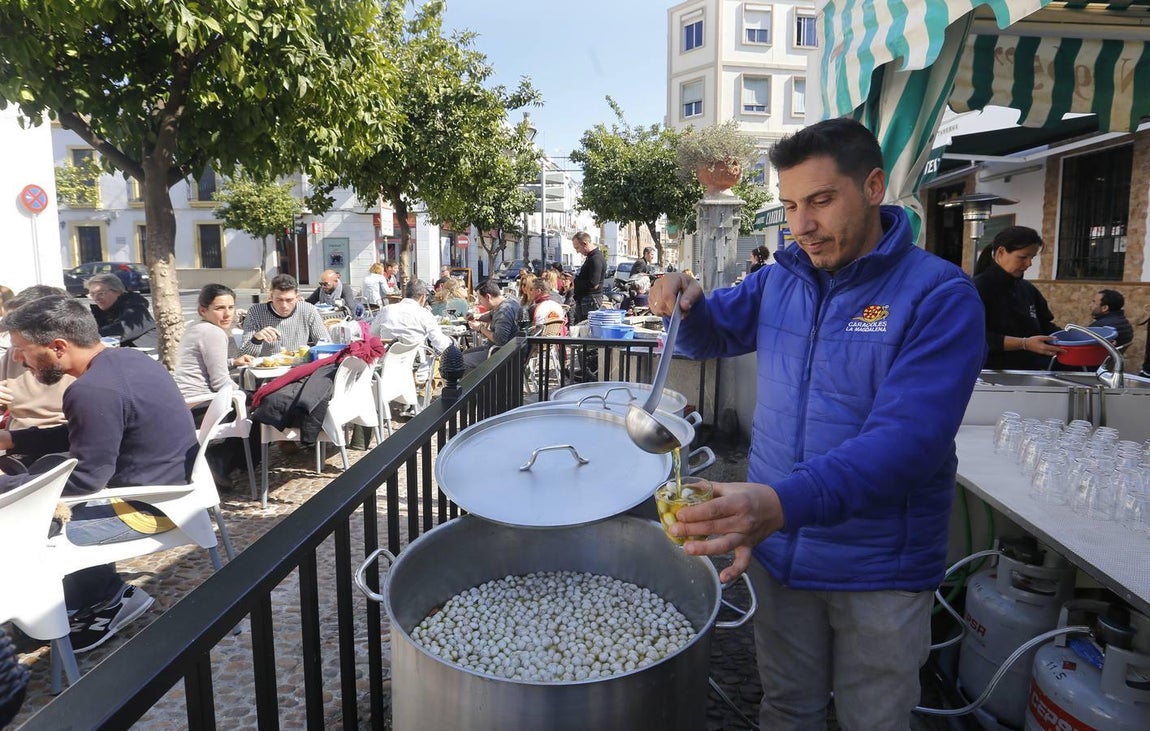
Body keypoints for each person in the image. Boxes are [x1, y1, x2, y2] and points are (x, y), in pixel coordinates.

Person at [648, 117, 985, 730]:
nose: (802, 224)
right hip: (783, 553)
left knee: (872, 721)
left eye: (821, 201)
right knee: (786, 707)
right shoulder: (784, 276)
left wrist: (777, 504)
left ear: (874, 186)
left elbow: (907, 443)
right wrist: (683, 298)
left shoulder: (939, 296)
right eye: (790, 205)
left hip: (879, 565)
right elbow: (712, 331)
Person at [0, 295, 199, 653]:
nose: (18, 358)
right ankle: (88, 598)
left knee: (23, 529)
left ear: (58, 347)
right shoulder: (127, 361)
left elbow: (86, 480)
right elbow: (91, 430)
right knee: (39, 481)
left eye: (23, 349)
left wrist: (10, 486)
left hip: (148, 511)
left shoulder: (90, 390)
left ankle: (109, 599)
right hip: (172, 491)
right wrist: (13, 439)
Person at [974, 226, 1063, 370]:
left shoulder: (1027, 289)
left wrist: (1078, 339)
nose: (1029, 264)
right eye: (1022, 257)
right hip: (992, 372)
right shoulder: (978, 289)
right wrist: (1024, 343)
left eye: (1032, 258)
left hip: (1028, 370)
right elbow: (972, 337)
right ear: (1001, 252)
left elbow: (1045, 326)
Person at [0, 285, 73, 437]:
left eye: (19, 325)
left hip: (62, 445)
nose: (11, 333)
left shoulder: (82, 360)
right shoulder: (14, 354)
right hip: (15, 441)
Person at [240, 273, 328, 358]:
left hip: (299, 366)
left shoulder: (308, 310)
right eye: (279, 299)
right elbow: (243, 356)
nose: (284, 305)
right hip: (268, 368)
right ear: (271, 296)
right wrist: (256, 339)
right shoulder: (256, 312)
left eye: (289, 300)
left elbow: (325, 344)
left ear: (297, 297)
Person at [86, 272, 158, 349]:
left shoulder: (136, 308)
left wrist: (87, 339)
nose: (96, 298)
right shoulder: (98, 313)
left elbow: (121, 330)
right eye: (92, 294)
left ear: (118, 291)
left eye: (100, 293)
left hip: (149, 356)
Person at [463, 280, 522, 371]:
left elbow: (500, 340)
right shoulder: (508, 301)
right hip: (512, 349)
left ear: (488, 297)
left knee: (461, 361)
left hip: (504, 354)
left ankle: (478, 385)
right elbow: (491, 315)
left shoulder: (504, 311)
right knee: (465, 353)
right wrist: (476, 317)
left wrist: (480, 327)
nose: (478, 302)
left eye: (480, 299)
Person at [571, 231, 605, 325]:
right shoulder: (592, 257)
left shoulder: (595, 259)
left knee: (586, 331)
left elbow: (594, 284)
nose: (577, 251)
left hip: (590, 301)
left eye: (577, 248)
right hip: (588, 300)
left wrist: (575, 280)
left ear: (585, 243)